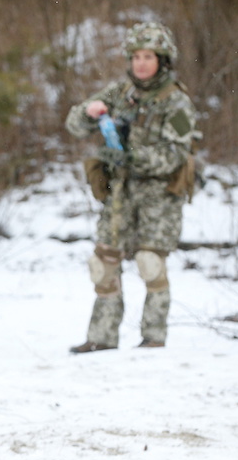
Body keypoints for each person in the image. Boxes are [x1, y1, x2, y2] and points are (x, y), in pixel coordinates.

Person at [66, 22, 199, 353]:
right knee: (104, 262)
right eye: (136, 56)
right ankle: (102, 336)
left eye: (148, 56)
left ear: (163, 60)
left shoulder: (176, 102)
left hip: (158, 195)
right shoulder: (119, 93)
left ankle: (153, 337)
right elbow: (74, 124)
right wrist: (88, 112)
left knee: (149, 261)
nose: (141, 63)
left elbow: (175, 154)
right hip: (119, 191)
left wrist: (132, 156)